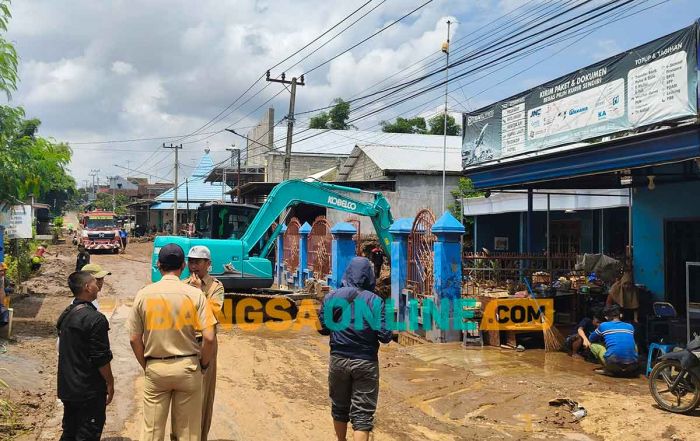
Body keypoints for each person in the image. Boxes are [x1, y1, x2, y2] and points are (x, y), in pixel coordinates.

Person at [128, 244, 216, 441]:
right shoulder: (196, 295)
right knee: (187, 432)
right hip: (188, 367)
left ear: (158, 265)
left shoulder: (143, 294)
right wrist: (202, 365)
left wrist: (146, 365)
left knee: (151, 431)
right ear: (183, 265)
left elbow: (134, 338)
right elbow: (209, 338)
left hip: (156, 367)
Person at [318, 257, 393, 441]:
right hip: (366, 362)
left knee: (339, 408)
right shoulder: (376, 301)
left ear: (348, 273)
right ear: (369, 276)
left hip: (338, 359)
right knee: (362, 416)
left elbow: (323, 328)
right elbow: (385, 336)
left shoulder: (332, 297)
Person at [57, 271, 114, 441]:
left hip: (68, 386)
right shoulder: (96, 319)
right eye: (95, 282)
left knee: (70, 432)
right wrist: (110, 382)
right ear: (87, 287)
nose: (98, 285)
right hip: (88, 390)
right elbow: (101, 358)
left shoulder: (66, 313)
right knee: (88, 433)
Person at [186, 245, 224, 441]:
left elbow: (213, 314)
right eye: (190, 261)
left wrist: (199, 293)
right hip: (185, 344)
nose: (193, 266)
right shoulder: (182, 284)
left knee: (203, 396)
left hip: (205, 345)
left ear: (208, 264)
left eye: (197, 262)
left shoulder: (216, 287)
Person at [589, 304, 639, 376]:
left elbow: (591, 338)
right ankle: (627, 370)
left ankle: (607, 369)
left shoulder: (603, 325)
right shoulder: (630, 326)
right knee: (634, 344)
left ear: (606, 317)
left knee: (593, 345)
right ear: (620, 315)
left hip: (613, 365)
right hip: (632, 366)